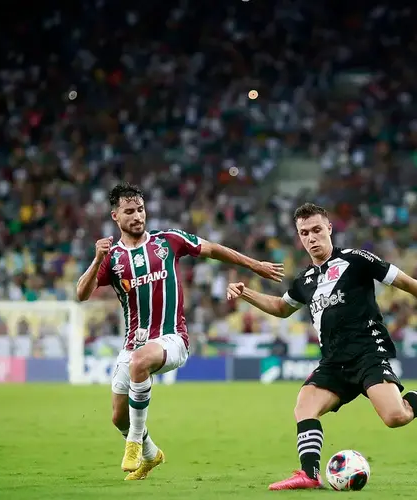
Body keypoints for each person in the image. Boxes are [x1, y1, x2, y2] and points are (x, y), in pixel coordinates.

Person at [225, 203, 417, 491]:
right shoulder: (305, 280)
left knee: (396, 417)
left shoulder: (356, 260)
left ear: (329, 229)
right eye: (304, 233)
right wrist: (244, 292)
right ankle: (309, 474)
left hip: (368, 354)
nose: (311, 238)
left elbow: (407, 283)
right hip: (333, 362)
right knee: (305, 406)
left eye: (316, 230)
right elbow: (280, 307)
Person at [76, 182, 284, 481]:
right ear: (115, 217)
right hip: (133, 343)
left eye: (140, 210)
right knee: (117, 416)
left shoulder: (168, 241)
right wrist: (97, 258)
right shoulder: (112, 258)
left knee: (139, 364)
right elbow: (82, 294)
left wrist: (255, 266)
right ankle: (150, 454)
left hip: (173, 338)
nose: (137, 216)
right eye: (129, 211)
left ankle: (134, 442)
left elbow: (214, 249)